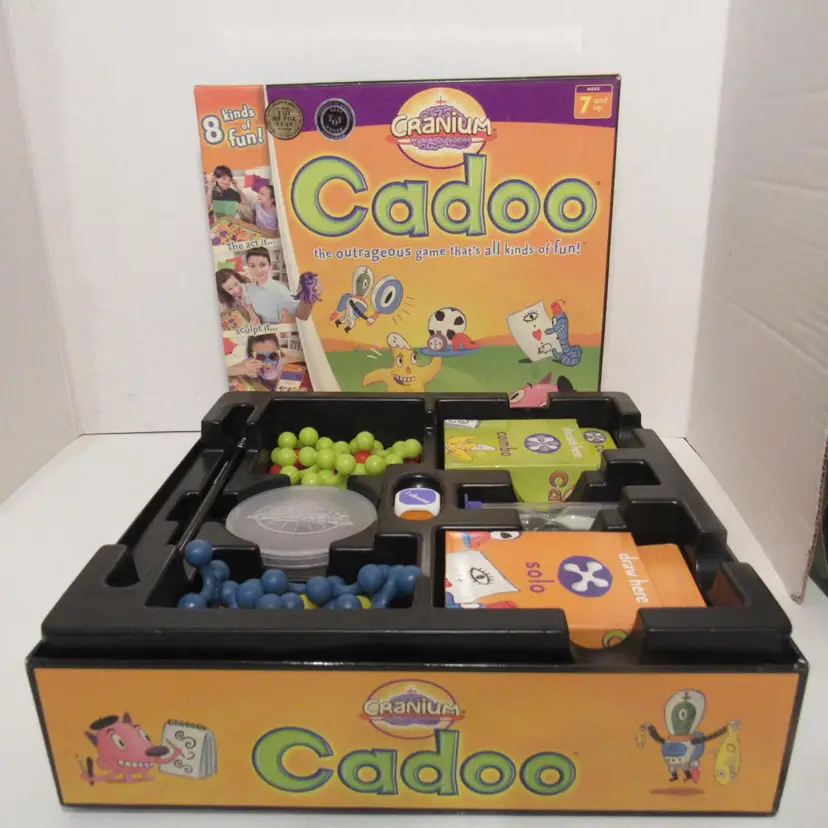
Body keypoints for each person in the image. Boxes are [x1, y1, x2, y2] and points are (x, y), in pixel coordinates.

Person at [243, 247, 313, 323]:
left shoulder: (280, 289)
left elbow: (301, 315)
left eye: (262, 265)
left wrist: (308, 294)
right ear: (248, 267)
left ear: (270, 266)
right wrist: (252, 314)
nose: (258, 270)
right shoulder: (248, 287)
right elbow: (247, 304)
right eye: (252, 266)